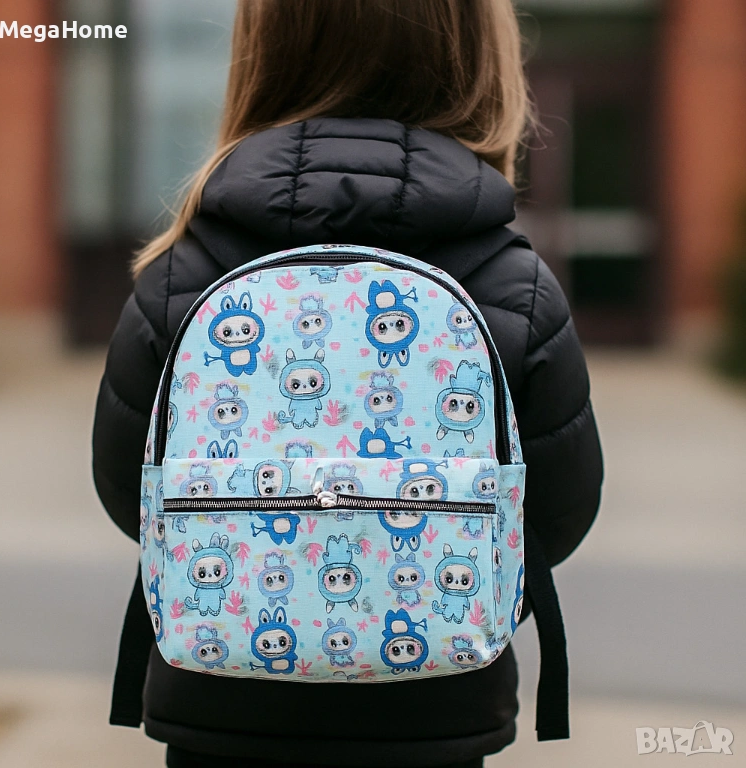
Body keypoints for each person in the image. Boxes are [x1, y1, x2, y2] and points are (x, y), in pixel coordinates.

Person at [92, 1, 603, 767]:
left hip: (221, 698)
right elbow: (559, 512)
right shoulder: (510, 281)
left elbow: (127, 489)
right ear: (480, 60)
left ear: (263, 56)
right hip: (437, 705)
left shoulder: (184, 273)